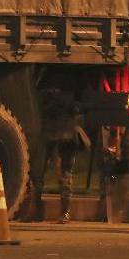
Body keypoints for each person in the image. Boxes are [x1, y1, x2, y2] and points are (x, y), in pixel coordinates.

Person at [26, 88, 89, 223]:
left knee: (52, 173)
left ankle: (48, 212)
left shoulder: (47, 95)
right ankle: (58, 212)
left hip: (59, 135)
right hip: (62, 135)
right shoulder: (69, 95)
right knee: (58, 174)